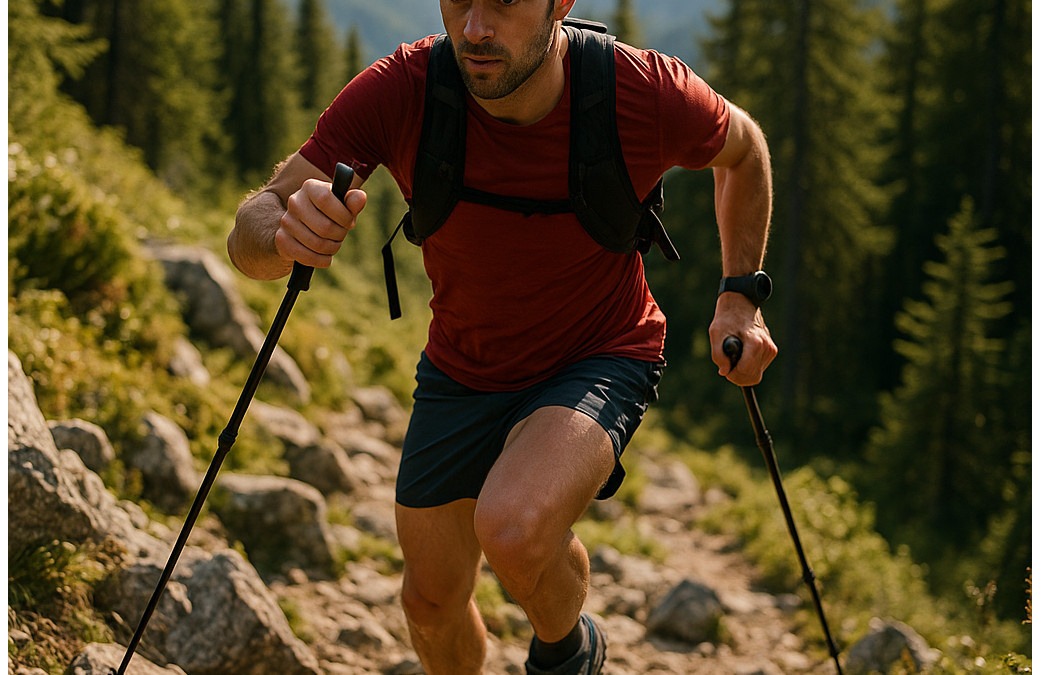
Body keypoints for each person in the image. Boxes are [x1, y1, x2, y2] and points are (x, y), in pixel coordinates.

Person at [227, 1, 777, 672]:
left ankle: (568, 648)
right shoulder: (407, 89)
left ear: (561, 3)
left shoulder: (639, 91)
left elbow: (744, 150)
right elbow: (255, 222)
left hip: (601, 353)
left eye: (506, 1)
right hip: (462, 367)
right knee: (430, 601)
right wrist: (283, 235)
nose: (476, 29)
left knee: (512, 528)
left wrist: (740, 296)